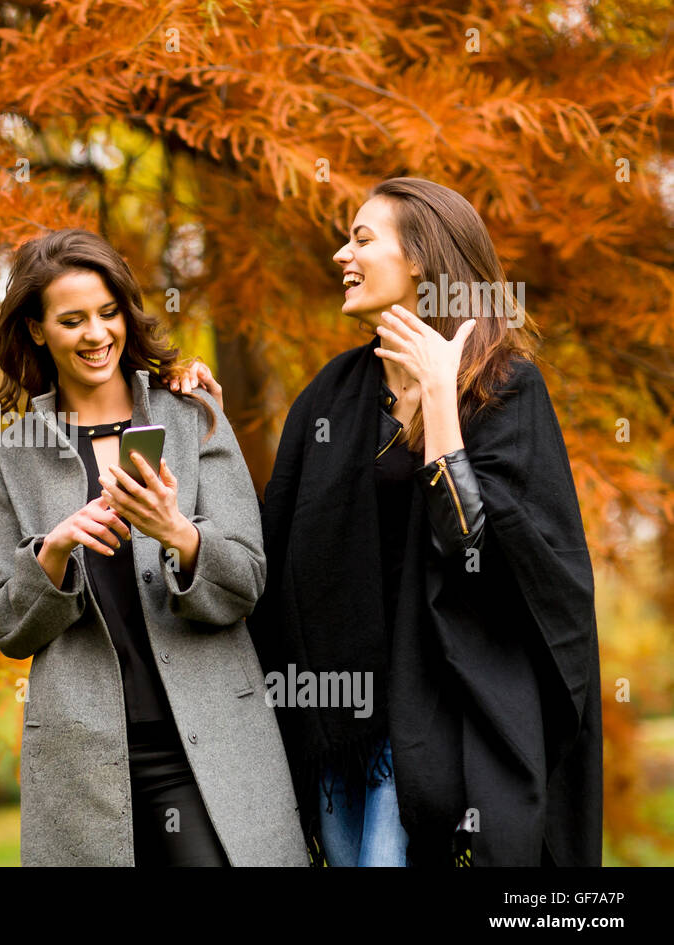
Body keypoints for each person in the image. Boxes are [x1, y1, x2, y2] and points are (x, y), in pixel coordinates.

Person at [172, 177, 603, 866]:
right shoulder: (334, 392)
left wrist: (437, 396)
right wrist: (210, 433)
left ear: (423, 259)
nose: (343, 253)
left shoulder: (503, 387)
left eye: (363, 238)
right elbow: (276, 550)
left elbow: (484, 550)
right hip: (338, 727)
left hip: (445, 721)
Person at [0, 227, 307, 866]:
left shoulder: (191, 415)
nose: (97, 334)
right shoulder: (11, 455)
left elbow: (247, 580)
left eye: (109, 313)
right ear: (39, 331)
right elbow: (5, 626)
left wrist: (177, 533)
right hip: (85, 765)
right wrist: (50, 557)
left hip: (210, 748)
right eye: (72, 320)